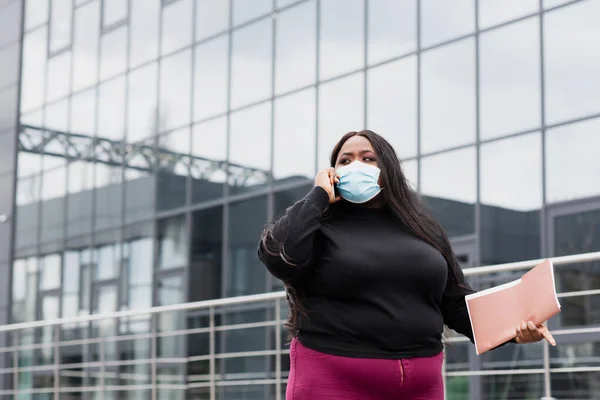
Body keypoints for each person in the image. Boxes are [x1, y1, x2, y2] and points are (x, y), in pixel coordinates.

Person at [258, 130, 556, 400]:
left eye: (368, 158)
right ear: (332, 172)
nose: (355, 165)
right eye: (345, 160)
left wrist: (514, 329)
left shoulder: (422, 228)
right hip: (334, 380)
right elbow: (278, 255)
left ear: (387, 170)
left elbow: (453, 304)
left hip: (420, 384)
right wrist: (318, 196)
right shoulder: (318, 225)